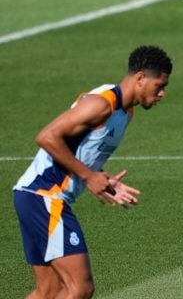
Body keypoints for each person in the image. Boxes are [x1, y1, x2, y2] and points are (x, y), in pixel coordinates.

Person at [13, 46, 173, 299]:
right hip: (45, 197)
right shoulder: (101, 104)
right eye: (159, 85)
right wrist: (89, 177)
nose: (162, 93)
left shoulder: (125, 113)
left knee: (49, 291)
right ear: (141, 78)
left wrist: (102, 177)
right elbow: (46, 136)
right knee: (80, 288)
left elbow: (80, 153)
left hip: (34, 197)